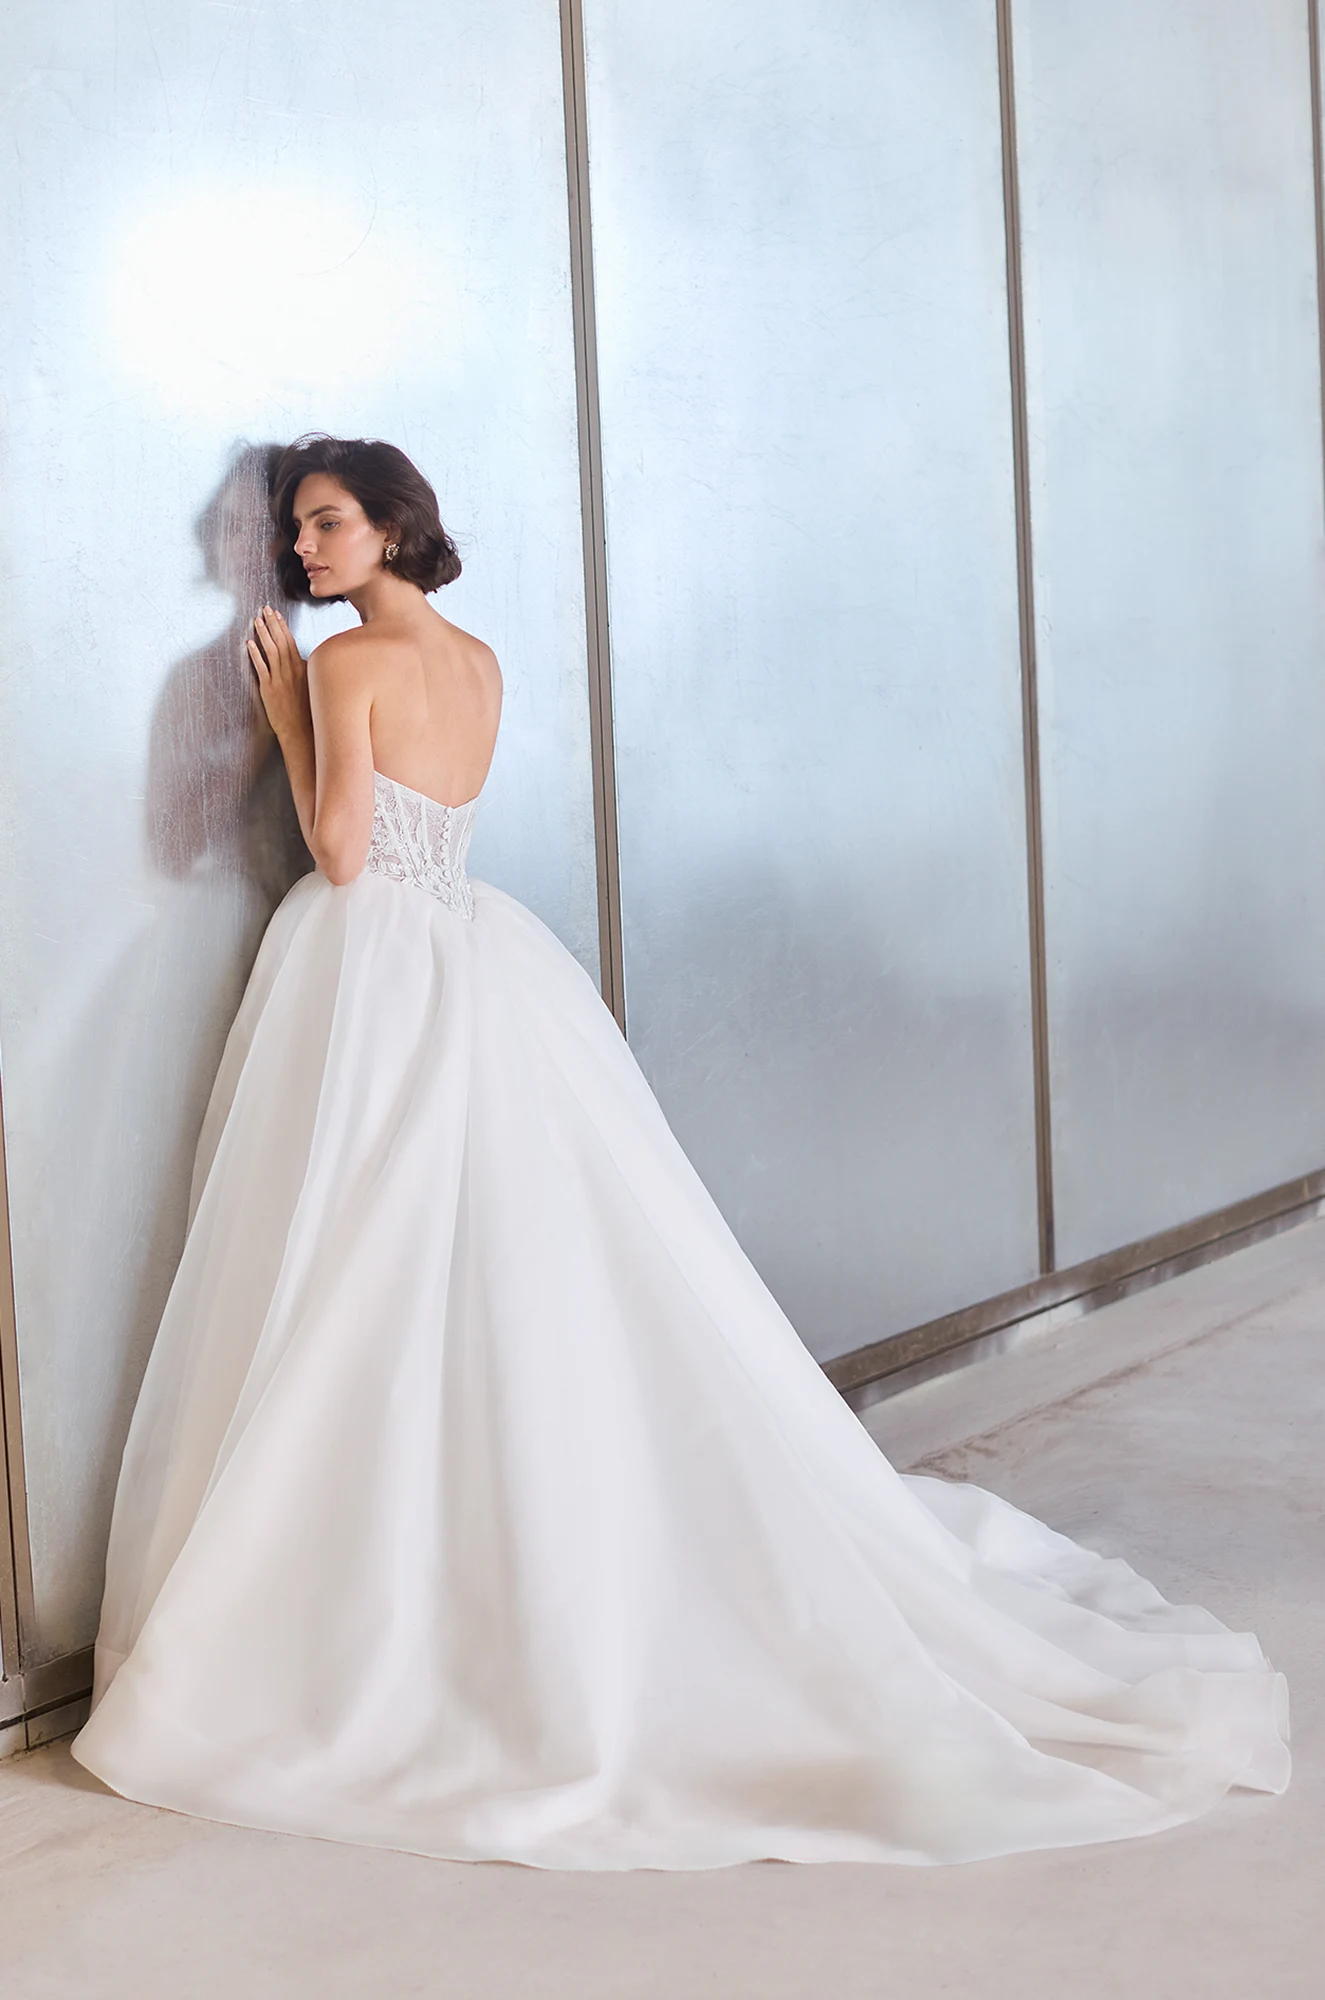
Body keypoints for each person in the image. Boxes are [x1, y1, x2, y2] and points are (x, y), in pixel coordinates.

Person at [71, 434, 1289, 1870]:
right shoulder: (480, 661)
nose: (304, 553)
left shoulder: (338, 668)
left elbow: (342, 856)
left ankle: (370, 1580)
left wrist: (280, 723)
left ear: (393, 528)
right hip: (475, 954)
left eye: (328, 525)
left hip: (372, 976)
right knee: (478, 1265)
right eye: (296, 531)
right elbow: (427, 831)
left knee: (352, 1265)